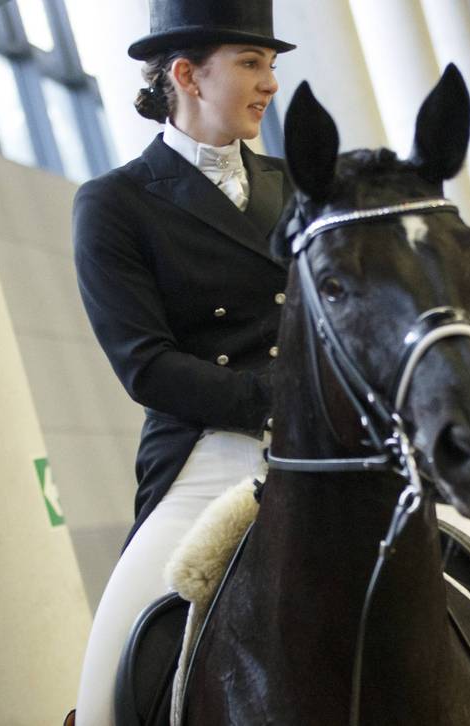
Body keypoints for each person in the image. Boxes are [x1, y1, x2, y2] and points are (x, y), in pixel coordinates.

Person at [71, 1, 294, 722]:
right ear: (186, 74)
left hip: (329, 443)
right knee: (104, 681)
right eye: (252, 64)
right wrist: (274, 403)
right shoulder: (115, 204)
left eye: (271, 65)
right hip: (210, 452)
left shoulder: (297, 188)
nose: (270, 84)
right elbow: (146, 365)